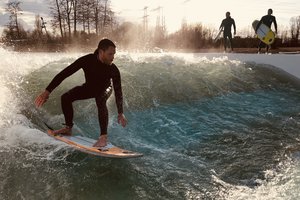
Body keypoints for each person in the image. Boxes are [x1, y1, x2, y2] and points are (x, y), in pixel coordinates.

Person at [34, 38, 127, 147]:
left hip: (105, 89)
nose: (113, 58)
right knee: (66, 97)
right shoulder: (87, 60)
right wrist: (47, 91)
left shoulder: (113, 69)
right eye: (110, 54)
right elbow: (65, 73)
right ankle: (68, 128)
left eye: (114, 54)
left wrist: (120, 113)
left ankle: (103, 137)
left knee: (100, 99)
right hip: (90, 87)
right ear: (101, 52)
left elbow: (118, 91)